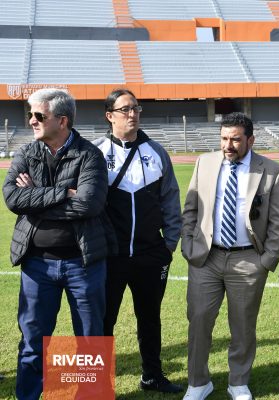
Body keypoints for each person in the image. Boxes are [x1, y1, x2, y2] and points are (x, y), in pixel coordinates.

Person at [2, 88, 115, 399]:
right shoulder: (26, 153)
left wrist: (35, 198)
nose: (32, 120)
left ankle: (91, 396)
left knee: (90, 341)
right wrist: (64, 193)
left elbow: (89, 204)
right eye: (31, 114)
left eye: (39, 115)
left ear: (62, 121)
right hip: (36, 265)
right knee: (33, 341)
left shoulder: (90, 155)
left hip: (83, 264)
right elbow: (12, 198)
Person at [181, 112, 279, 400]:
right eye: (224, 138)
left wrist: (267, 259)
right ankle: (198, 383)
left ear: (250, 140)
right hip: (207, 258)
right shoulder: (205, 162)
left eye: (236, 139)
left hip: (248, 260)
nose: (228, 145)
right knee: (199, 319)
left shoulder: (272, 171)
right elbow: (190, 208)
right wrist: (189, 245)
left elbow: (278, 221)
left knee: (242, 325)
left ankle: (238, 382)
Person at [93, 89, 182, 393]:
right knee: (104, 320)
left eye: (136, 108)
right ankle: (98, 387)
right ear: (110, 115)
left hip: (151, 254)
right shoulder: (96, 152)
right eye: (125, 109)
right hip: (110, 256)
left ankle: (152, 376)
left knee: (150, 318)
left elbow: (171, 199)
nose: (132, 114)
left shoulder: (156, 152)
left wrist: (169, 243)